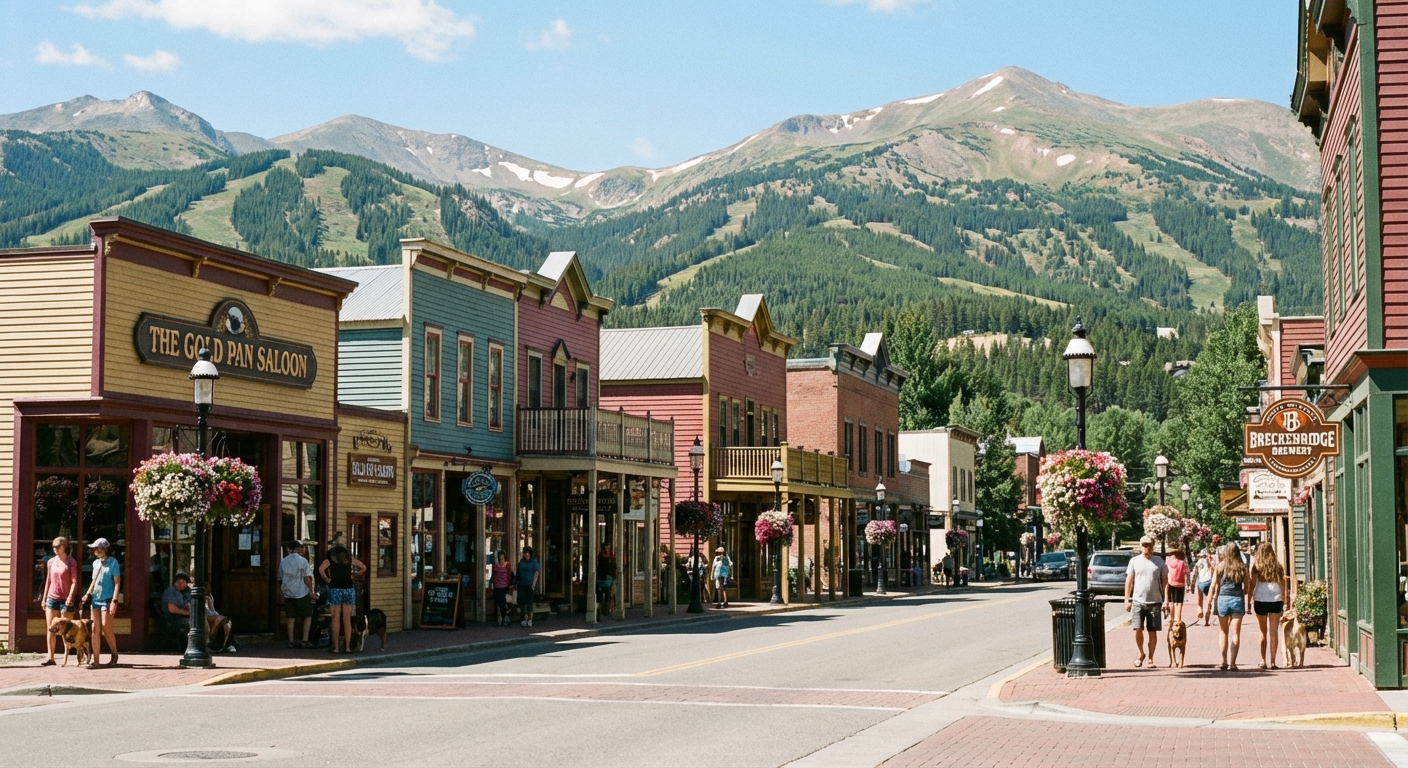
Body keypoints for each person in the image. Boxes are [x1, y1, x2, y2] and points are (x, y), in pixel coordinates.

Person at [1123, 535, 1167, 668]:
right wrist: (1127, 599)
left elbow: (1165, 582)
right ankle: (1140, 653)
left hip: (1155, 602)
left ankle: (1151, 658)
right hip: (1138, 600)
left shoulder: (1159, 561)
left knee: (1152, 631)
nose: (1146, 548)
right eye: (1144, 545)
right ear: (1140, 546)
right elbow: (1129, 581)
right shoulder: (1134, 561)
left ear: (1152, 546)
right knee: (1137, 629)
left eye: (1148, 545)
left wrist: (1166, 601)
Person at [1213, 541, 1253, 671]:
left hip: (1223, 599)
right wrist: (1242, 594)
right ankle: (1233, 663)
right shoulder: (1242, 567)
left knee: (1223, 631)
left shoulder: (1220, 566)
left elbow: (1214, 585)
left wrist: (1210, 602)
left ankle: (1223, 661)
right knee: (1236, 633)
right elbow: (1247, 587)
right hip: (1237, 599)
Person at [81, 538, 121, 669]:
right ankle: (96, 660)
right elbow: (94, 580)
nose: (94, 552)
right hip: (96, 598)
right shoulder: (95, 564)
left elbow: (117, 582)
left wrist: (115, 600)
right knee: (94, 629)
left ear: (103, 549)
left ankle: (114, 653)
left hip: (107, 599)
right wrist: (87, 594)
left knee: (105, 627)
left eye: (96, 549)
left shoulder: (113, 563)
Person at [319, 543, 365, 654]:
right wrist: (355, 575)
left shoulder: (329, 560)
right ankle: (348, 647)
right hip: (348, 588)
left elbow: (321, 569)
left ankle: (336, 647)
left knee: (335, 618)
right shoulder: (349, 559)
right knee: (347, 619)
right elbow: (363, 567)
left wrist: (326, 578)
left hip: (334, 588)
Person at [40, 536, 79, 667]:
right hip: (52, 597)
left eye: (58, 547)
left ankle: (66, 658)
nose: (55, 549)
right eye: (54, 547)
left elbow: (74, 581)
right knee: (50, 628)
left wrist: (70, 597)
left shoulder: (71, 562)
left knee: (66, 629)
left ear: (64, 547)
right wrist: (44, 598)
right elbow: (48, 580)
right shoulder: (50, 561)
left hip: (66, 599)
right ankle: (51, 657)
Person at [1251, 541, 1288, 670]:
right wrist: (1284, 598)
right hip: (1275, 599)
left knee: (1262, 632)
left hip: (1260, 599)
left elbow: (1252, 584)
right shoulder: (1278, 567)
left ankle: (1263, 660)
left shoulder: (1256, 566)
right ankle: (1273, 662)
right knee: (1273, 632)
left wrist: (1249, 598)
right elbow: (1282, 584)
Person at [279, 540, 315, 649]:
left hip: (288, 593)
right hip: (301, 592)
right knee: (307, 615)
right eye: (302, 548)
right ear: (298, 548)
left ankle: (291, 641)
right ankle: (305, 639)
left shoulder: (283, 561)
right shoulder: (303, 561)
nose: (303, 550)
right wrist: (311, 591)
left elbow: (280, 578)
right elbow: (307, 578)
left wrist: (283, 591)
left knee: (290, 617)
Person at [1164, 545, 1188, 625]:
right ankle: (1178, 619)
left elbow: (1166, 573)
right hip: (1180, 584)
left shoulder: (1167, 562)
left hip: (1170, 583)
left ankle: (1172, 619)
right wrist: (1188, 583)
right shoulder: (1182, 563)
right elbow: (1186, 573)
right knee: (1179, 602)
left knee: (1171, 601)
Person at [517, 547, 540, 627]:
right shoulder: (521, 562)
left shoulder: (534, 562)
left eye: (527, 552)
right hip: (522, 584)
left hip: (530, 585)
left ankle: (530, 619)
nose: (526, 554)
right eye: (525, 553)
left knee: (529, 603)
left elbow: (536, 573)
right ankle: (525, 618)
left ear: (530, 553)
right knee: (522, 602)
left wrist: (533, 585)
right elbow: (518, 573)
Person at [491, 552, 514, 626]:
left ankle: (504, 617)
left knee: (503, 601)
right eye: (500, 556)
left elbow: (509, 574)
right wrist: (491, 583)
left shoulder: (507, 565)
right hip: (497, 585)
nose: (501, 557)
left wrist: (510, 584)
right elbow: (493, 575)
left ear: (504, 556)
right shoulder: (496, 565)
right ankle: (502, 617)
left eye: (502, 556)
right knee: (499, 601)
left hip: (504, 585)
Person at [1193, 549, 1214, 626]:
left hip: (1201, 583)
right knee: (1208, 601)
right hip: (1209, 582)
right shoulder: (1210, 563)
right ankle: (1207, 620)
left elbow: (1195, 575)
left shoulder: (1198, 563)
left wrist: (1192, 586)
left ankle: (1200, 609)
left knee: (1199, 598)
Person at [596, 543, 618, 615]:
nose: (608, 548)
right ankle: (605, 609)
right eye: (607, 547)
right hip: (605, 577)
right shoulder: (603, 557)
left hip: (606, 577)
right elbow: (611, 566)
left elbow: (614, 566)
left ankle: (607, 608)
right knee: (606, 593)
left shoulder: (609, 556)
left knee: (608, 593)